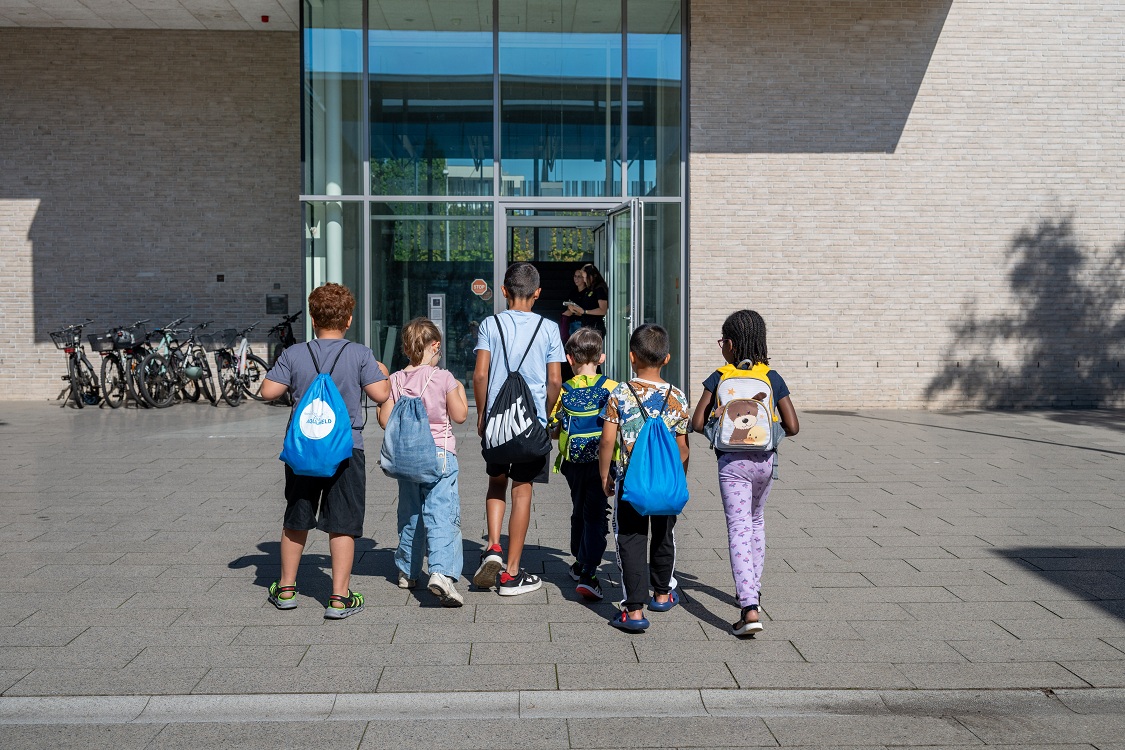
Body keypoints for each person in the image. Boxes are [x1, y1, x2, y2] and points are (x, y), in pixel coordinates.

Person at [261, 283, 390, 620]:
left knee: (296, 518)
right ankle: (339, 597)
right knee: (342, 524)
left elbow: (267, 390)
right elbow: (379, 394)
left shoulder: (294, 354)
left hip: (304, 452)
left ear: (313, 320)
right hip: (347, 450)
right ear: (347, 320)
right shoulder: (360, 353)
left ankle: (286, 589)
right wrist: (383, 374)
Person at [690, 309, 799, 636]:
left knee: (738, 528)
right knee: (756, 521)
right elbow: (793, 427)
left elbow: (696, 423)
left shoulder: (720, 377)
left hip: (731, 465)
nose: (721, 347)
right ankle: (755, 588)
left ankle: (749, 607)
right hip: (765, 463)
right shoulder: (772, 378)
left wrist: (715, 429)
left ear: (732, 345)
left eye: (723, 341)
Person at [472, 262, 565, 595]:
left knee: (496, 481)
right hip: (531, 423)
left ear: (503, 291)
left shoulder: (490, 324)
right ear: (537, 293)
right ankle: (511, 574)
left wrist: (482, 414)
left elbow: (480, 375)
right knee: (521, 489)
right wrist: (548, 414)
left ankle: (493, 546)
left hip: (498, 420)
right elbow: (555, 379)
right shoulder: (549, 328)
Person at [598, 324, 690, 631]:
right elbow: (682, 448)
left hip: (631, 484)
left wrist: (604, 475)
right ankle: (662, 594)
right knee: (664, 536)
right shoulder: (677, 396)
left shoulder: (620, 393)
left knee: (631, 539)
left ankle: (634, 611)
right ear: (667, 359)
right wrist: (679, 479)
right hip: (665, 484)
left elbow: (607, 441)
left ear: (631, 356)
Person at [377, 317, 469, 607]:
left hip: (406, 460)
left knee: (410, 515)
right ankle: (441, 573)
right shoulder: (443, 377)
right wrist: (459, 391)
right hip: (440, 456)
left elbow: (384, 420)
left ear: (406, 348)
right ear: (436, 346)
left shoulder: (395, 380)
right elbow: (460, 415)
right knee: (442, 515)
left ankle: (407, 571)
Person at [548, 327, 617, 600]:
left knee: (579, 509)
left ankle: (578, 561)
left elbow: (554, 428)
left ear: (569, 359)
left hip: (572, 463)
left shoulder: (565, 391)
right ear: (601, 358)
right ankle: (589, 572)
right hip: (603, 463)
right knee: (596, 515)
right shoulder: (612, 388)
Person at [562, 263, 609, 337]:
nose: (584, 280)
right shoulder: (590, 288)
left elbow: (603, 310)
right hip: (586, 326)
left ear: (591, 276)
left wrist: (584, 311)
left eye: (584, 277)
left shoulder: (599, 289)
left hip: (594, 328)